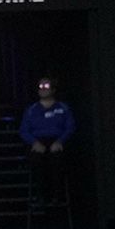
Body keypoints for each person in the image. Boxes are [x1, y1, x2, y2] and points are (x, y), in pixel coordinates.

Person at [18, 78, 76, 207]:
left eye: (46, 86)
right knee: (36, 160)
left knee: (58, 160)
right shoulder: (31, 109)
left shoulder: (63, 108)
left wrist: (60, 141)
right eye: (40, 86)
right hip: (38, 142)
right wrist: (34, 143)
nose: (43, 88)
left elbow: (70, 127)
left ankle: (57, 195)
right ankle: (41, 196)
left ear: (53, 89)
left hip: (57, 142)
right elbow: (24, 130)